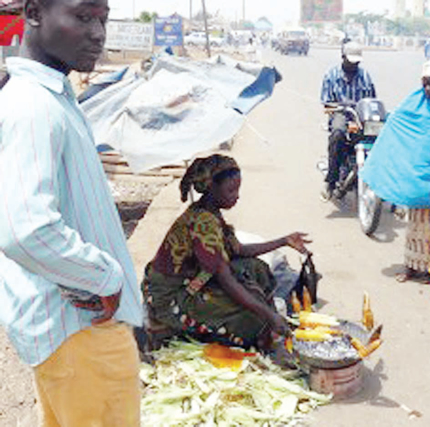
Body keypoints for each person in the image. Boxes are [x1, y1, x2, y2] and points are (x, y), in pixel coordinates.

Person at [0, 0, 143, 425]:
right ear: (34, 14)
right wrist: (106, 277)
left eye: (103, 18)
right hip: (83, 333)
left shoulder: (50, 98)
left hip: (73, 331)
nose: (98, 33)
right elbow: (25, 229)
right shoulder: (34, 107)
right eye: (83, 16)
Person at [141, 155, 310, 363]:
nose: (237, 196)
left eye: (238, 189)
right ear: (211, 188)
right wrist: (267, 314)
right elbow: (226, 278)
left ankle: (268, 330)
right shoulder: (202, 222)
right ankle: (255, 343)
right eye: (231, 190)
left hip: (196, 277)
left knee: (257, 269)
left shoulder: (212, 213)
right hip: (171, 294)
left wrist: (284, 241)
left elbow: (238, 250)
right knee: (248, 317)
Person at [359, 59, 430, 282]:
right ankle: (412, 267)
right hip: (418, 176)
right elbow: (397, 121)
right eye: (425, 83)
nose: (428, 89)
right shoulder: (414, 101)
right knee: (415, 225)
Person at [320, 41, 376, 199]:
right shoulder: (331, 75)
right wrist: (338, 107)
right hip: (341, 114)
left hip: (361, 116)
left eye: (356, 62)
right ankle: (330, 182)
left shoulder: (365, 76)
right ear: (342, 57)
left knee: (378, 139)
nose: (354, 65)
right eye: (350, 61)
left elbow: (372, 100)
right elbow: (326, 102)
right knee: (337, 134)